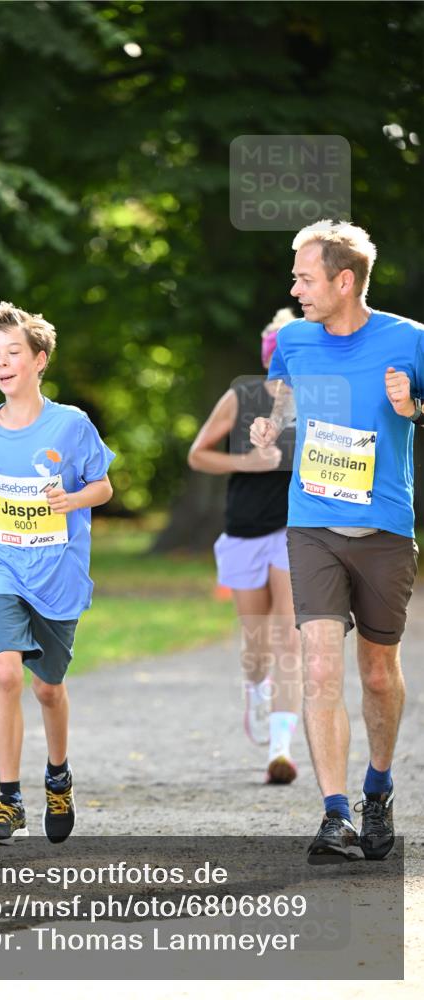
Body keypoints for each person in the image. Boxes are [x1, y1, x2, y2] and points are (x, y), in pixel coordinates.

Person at [250, 220, 423, 864]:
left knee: (378, 673)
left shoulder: (410, 340)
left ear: (343, 281)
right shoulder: (293, 340)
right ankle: (335, 814)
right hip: (313, 523)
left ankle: (377, 790)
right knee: (320, 664)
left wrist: (415, 411)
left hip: (386, 529)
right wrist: (270, 428)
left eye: (304, 277)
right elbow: (281, 404)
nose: (294, 287)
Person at [0, 302, 114, 845]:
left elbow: (103, 487)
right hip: (2, 565)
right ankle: (8, 798)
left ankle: (57, 776)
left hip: (57, 573)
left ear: (39, 360)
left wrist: (73, 499)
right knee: (6, 672)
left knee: (47, 689)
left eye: (14, 352)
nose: (2, 362)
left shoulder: (71, 424)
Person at [188, 309, 302, 784]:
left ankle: (281, 750)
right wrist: (251, 463)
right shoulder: (242, 396)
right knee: (257, 644)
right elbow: (198, 455)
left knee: (288, 639)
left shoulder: (322, 400)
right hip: (244, 531)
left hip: (296, 532)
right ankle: (255, 686)